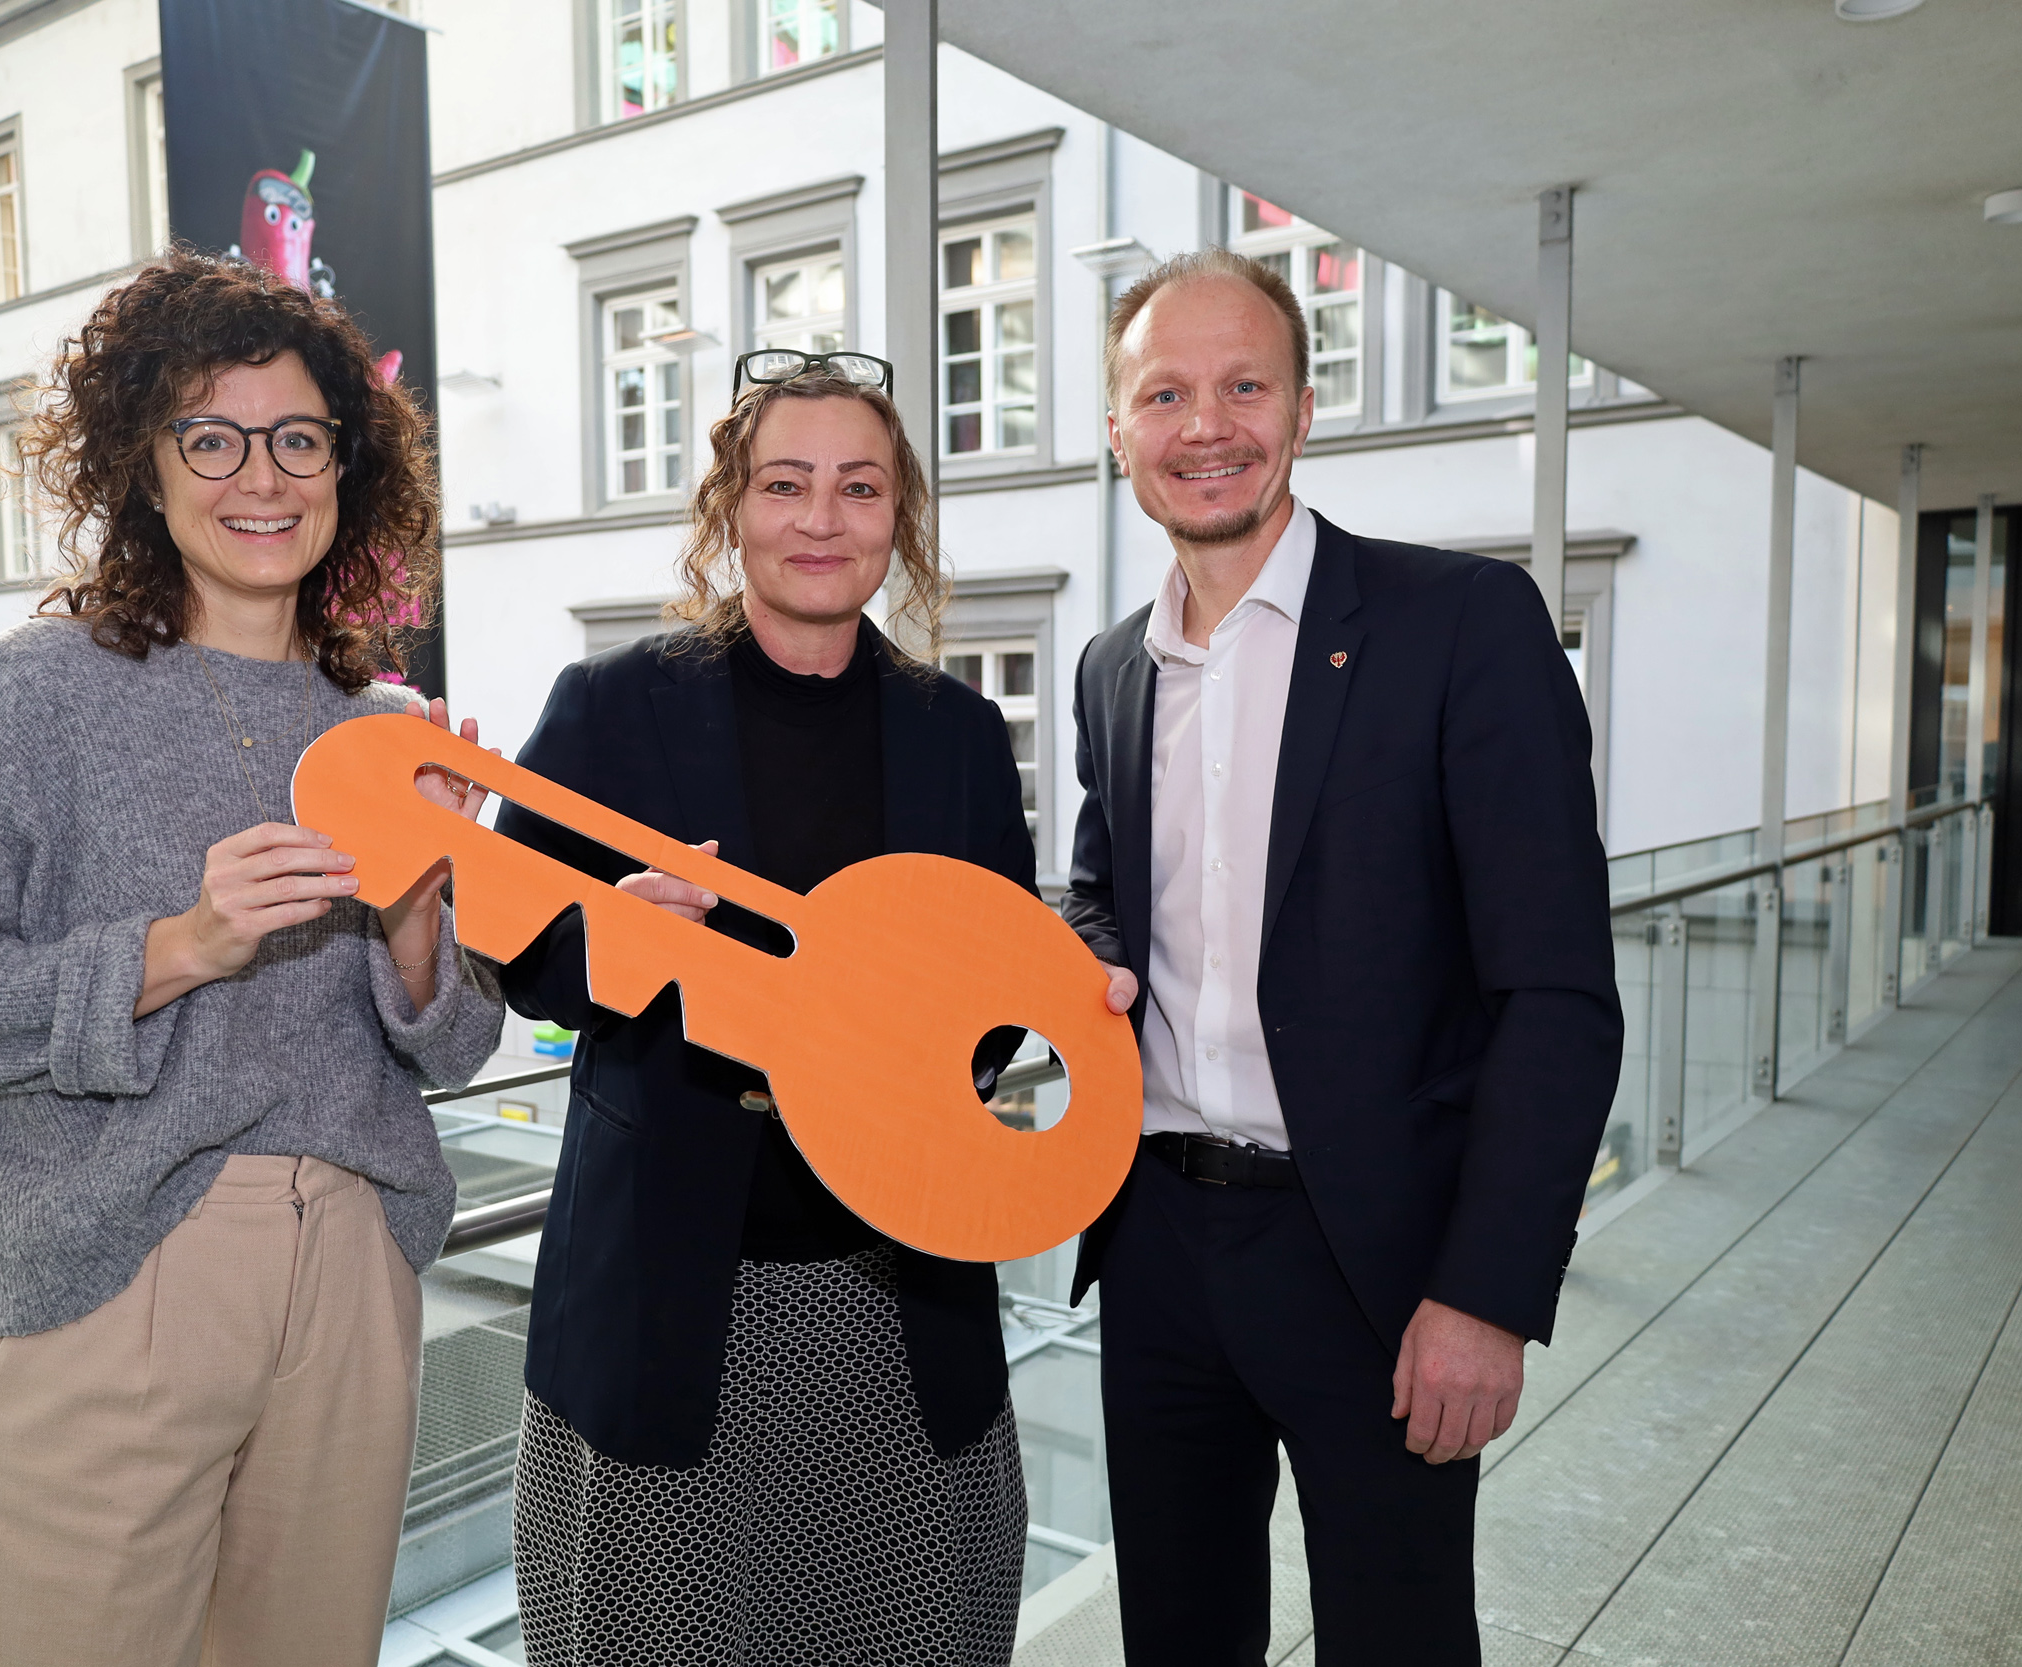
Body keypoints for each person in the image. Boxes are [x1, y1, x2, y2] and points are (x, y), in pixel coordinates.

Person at [0, 252, 506, 1667]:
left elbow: (459, 1045)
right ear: (144, 469)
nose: (259, 477)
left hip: (355, 1272)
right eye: (211, 437)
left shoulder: (390, 721)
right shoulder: (42, 690)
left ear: (346, 468)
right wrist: (175, 949)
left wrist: (413, 919)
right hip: (117, 1269)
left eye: (298, 439)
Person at [1063, 248, 1622, 1664]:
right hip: (1162, 1244)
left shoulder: (1460, 628)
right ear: (1117, 427)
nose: (1209, 426)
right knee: (1180, 1639)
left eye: (1245, 385)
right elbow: (1104, 893)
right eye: (1167, 393)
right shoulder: (1112, 668)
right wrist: (1089, 956)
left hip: (1377, 1257)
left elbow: (1556, 991)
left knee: (1399, 1638)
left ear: (1304, 410)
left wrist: (1488, 1293)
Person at [498, 353, 1036, 1666]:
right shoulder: (614, 706)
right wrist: (608, 934)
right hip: (669, 1296)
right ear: (730, 509)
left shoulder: (958, 732)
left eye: (859, 489)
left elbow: (1004, 997)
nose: (820, 519)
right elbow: (517, 951)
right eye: (785, 484)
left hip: (894, 1296)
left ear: (895, 517)